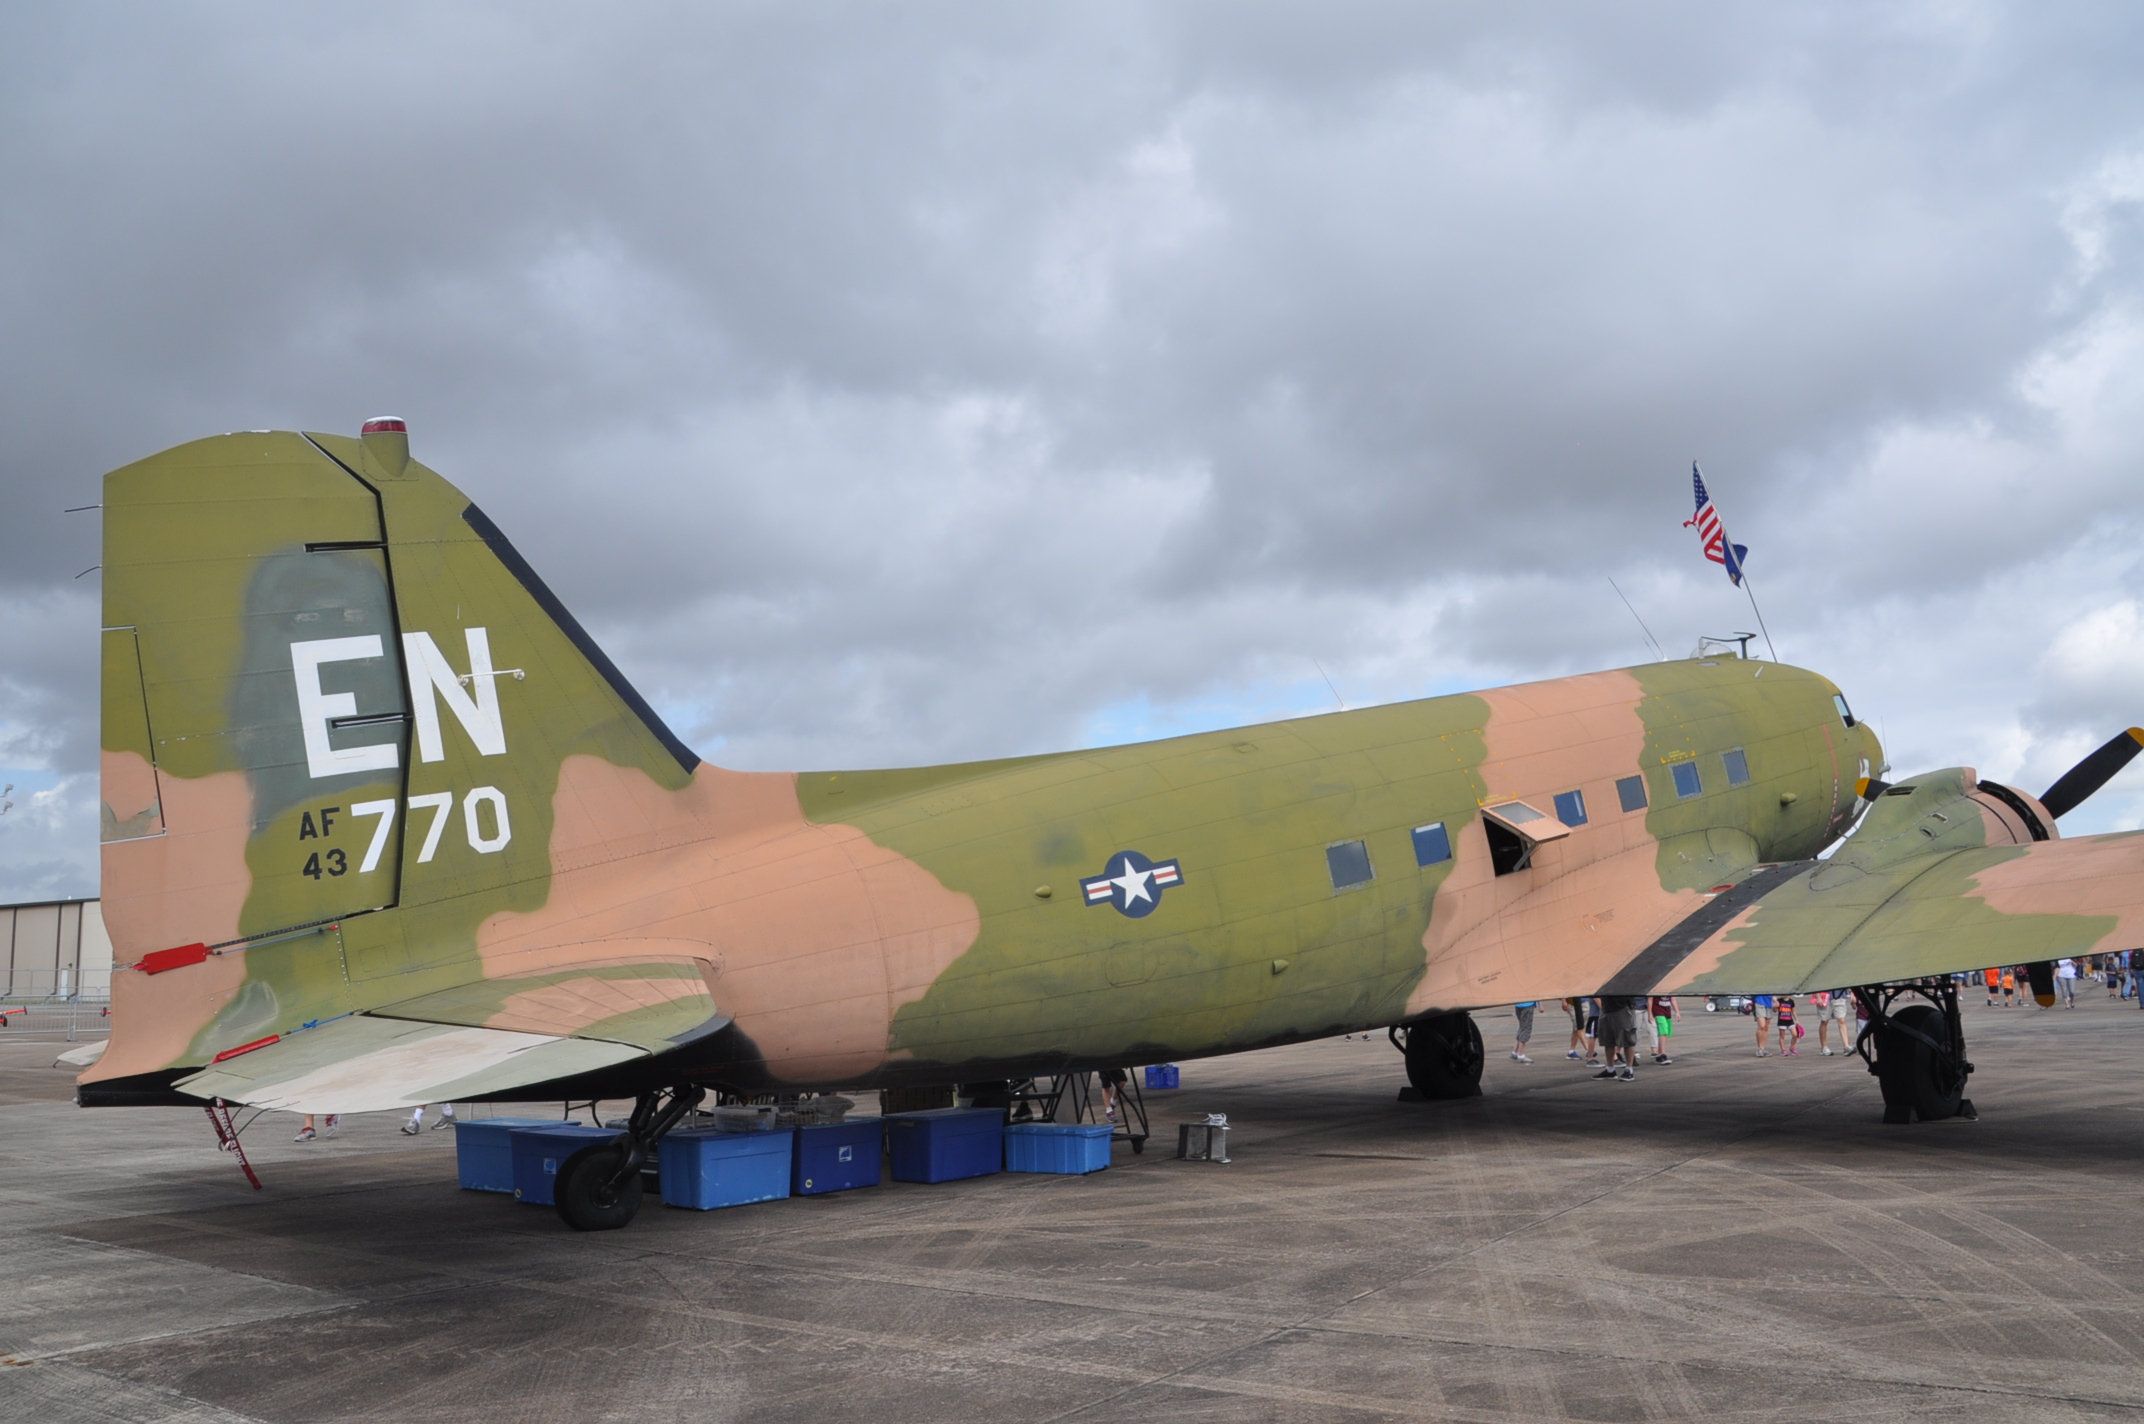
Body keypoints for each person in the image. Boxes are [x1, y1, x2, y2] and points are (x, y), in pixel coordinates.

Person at [1593, 995, 1640, 1081]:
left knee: (1627, 1038)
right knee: (1608, 1040)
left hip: (1623, 1006)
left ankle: (1629, 1069)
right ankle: (1610, 1070)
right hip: (1606, 1007)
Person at [1815, 990, 1852, 1056]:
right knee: (1824, 1021)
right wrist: (1818, 996)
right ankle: (1824, 1047)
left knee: (1841, 1020)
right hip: (1824, 995)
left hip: (1839, 995)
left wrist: (1852, 993)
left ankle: (1846, 1046)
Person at [1647, 994, 1676, 1065]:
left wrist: (1677, 1011)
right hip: (1658, 1011)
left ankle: (1660, 1054)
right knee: (1663, 1032)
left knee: (1666, 1033)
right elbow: (1650, 1000)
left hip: (1667, 1012)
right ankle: (1663, 1054)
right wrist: (1650, 1013)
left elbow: (1673, 999)